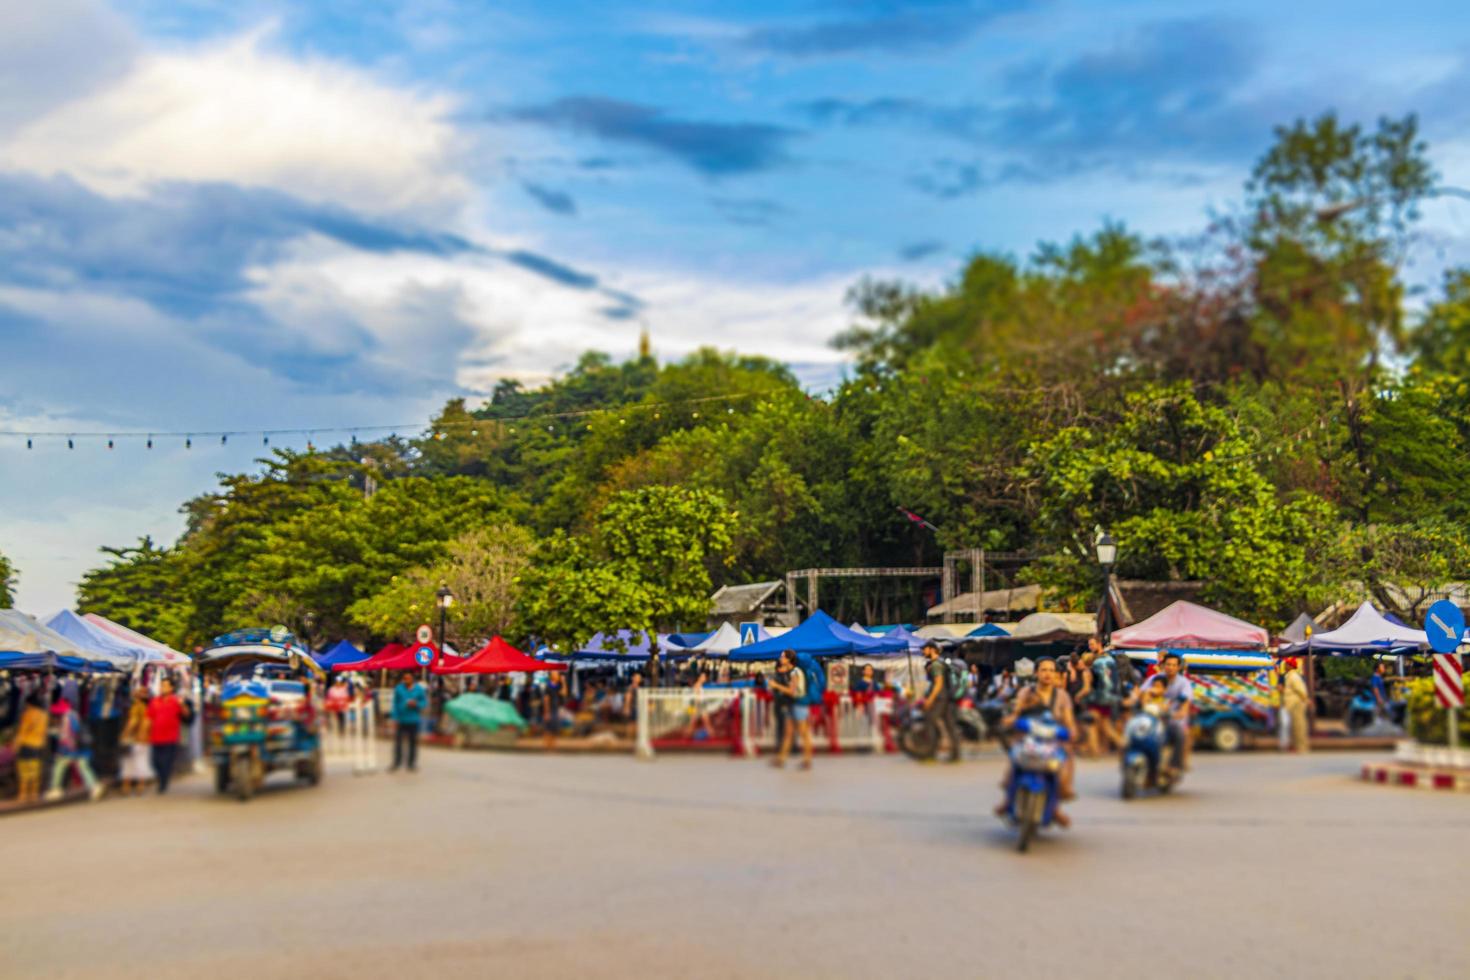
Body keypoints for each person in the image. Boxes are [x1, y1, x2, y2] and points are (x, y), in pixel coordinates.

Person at [996, 656, 1076, 827]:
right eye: (1044, 670)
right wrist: (1009, 721)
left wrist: (1072, 734)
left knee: (1063, 765)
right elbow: (1016, 713)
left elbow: (1069, 722)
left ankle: (1055, 808)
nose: (1048, 674)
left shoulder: (1062, 696)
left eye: (1051, 670)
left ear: (1056, 675)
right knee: (1015, 762)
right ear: (1036, 673)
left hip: (1053, 739)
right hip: (1029, 737)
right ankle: (1008, 800)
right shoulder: (1026, 692)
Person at [1129, 652, 1193, 771]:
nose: (1171, 667)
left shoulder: (1183, 683)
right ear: (1163, 665)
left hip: (1172, 718)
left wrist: (1181, 713)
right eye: (1168, 664)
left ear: (1178, 667)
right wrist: (1133, 699)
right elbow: (1141, 693)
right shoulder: (1154, 678)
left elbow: (1185, 702)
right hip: (1152, 715)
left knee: (1180, 734)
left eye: (1174, 665)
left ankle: (1174, 764)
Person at [45, 694, 104, 802]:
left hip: (71, 749)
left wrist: (56, 736)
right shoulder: (74, 715)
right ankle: (95, 787)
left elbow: (67, 735)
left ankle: (56, 790)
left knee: (59, 767)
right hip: (80, 748)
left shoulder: (67, 717)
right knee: (83, 767)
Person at [769, 650, 813, 770]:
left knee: (803, 733)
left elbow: (792, 692)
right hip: (793, 704)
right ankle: (781, 759)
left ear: (789, 659)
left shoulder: (795, 672)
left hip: (798, 704)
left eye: (783, 656)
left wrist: (776, 685)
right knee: (788, 733)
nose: (780, 658)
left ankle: (807, 760)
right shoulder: (792, 672)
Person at [146, 677, 190, 794]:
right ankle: (162, 779)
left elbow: (186, 715)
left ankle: (163, 783)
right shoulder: (154, 701)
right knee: (155, 762)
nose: (162, 688)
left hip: (171, 737)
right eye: (161, 685)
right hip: (155, 737)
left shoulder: (176, 701)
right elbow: (149, 718)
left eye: (165, 685)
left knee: (166, 762)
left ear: (171, 688)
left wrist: (183, 705)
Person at [921, 641, 960, 762]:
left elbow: (938, 683)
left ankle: (930, 754)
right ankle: (955, 755)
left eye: (925, 649)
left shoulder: (936, 665)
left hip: (939, 698)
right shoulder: (941, 662)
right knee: (950, 725)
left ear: (932, 650)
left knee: (930, 723)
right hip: (947, 697)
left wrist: (930, 699)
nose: (923, 651)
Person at [9, 691, 48, 805]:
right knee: (35, 769)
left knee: (24, 770)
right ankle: (34, 793)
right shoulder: (44, 715)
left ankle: (23, 795)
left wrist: (15, 745)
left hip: (26, 744)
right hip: (38, 745)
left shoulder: (28, 714)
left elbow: (22, 732)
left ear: (29, 703)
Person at [1086, 638, 1122, 752]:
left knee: (1092, 723)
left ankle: (1096, 751)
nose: (1090, 647)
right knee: (1104, 725)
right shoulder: (1109, 659)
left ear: (1099, 644)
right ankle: (1103, 749)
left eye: (1092, 644)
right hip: (1108, 696)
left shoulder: (1101, 661)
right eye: (1089, 645)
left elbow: (1103, 681)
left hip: (1101, 696)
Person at [390, 672, 428, 772]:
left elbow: (424, 703)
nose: (406, 680)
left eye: (408, 678)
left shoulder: (419, 689)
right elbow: (394, 704)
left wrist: (416, 704)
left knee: (413, 742)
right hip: (401, 720)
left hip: (413, 720)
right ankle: (397, 762)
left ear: (413, 679)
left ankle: (411, 764)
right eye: (404, 678)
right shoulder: (399, 688)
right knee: (398, 743)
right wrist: (394, 718)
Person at [119, 686, 153, 796]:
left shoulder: (136, 706)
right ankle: (140, 785)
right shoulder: (147, 707)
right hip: (144, 738)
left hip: (135, 738)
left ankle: (126, 786)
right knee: (141, 762)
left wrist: (125, 733)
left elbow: (133, 721)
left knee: (128, 762)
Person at [1282, 658, 1310, 754]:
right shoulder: (1289, 676)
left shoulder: (1294, 676)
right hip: (1292, 704)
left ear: (1290, 666)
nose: (1284, 666)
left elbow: (1301, 690)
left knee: (1299, 726)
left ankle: (1301, 747)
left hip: (1297, 703)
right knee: (1294, 726)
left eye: (1286, 664)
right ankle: (1296, 746)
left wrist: (1306, 700)